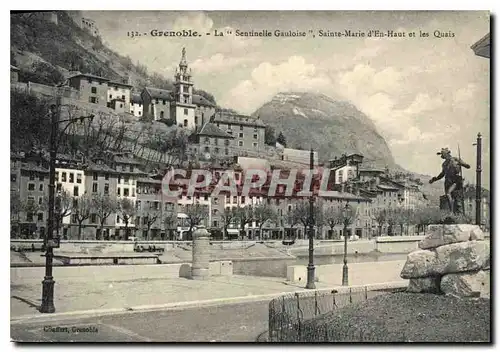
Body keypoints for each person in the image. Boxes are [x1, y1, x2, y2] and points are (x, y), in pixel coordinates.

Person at [429, 147, 470, 214]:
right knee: (449, 196)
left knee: (450, 194)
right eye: (442, 155)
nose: (443, 156)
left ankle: (452, 212)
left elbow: (467, 166)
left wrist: (462, 164)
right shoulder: (444, 164)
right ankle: (453, 213)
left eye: (443, 154)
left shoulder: (455, 159)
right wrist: (435, 179)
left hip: (455, 180)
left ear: (447, 154)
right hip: (448, 181)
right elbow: (442, 174)